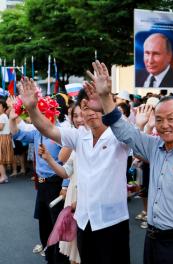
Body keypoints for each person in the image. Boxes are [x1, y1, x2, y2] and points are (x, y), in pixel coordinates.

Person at [86, 61, 173, 263]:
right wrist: (105, 96)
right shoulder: (155, 147)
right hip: (152, 240)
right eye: (160, 119)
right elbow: (125, 131)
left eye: (171, 119)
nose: (165, 125)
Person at [18, 79, 131, 264]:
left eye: (96, 105)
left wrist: (106, 97)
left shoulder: (120, 136)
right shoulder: (80, 136)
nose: (90, 112)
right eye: (85, 107)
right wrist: (31, 108)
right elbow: (48, 129)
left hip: (112, 222)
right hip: (84, 221)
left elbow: (132, 135)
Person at [10, 94, 69, 264]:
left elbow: (70, 162)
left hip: (56, 183)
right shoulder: (37, 131)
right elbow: (18, 135)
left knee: (58, 225)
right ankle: (50, 256)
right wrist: (13, 119)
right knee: (44, 225)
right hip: (42, 185)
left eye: (41, 111)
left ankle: (60, 259)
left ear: (52, 112)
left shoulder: (60, 132)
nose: (37, 115)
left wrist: (65, 185)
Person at [39, 103, 85, 264]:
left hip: (86, 197)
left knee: (87, 246)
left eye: (82, 114)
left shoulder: (98, 140)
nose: (79, 119)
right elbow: (66, 169)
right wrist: (49, 159)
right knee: (73, 246)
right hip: (73, 193)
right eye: (75, 115)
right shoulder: (74, 139)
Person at [0, 99, 13, 183]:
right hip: (3, 138)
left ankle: (3, 176)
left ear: (4, 108)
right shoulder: (2, 116)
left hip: (3, 138)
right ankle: (3, 175)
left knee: (0, 159)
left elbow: (0, 127)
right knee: (1, 159)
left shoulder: (2, 116)